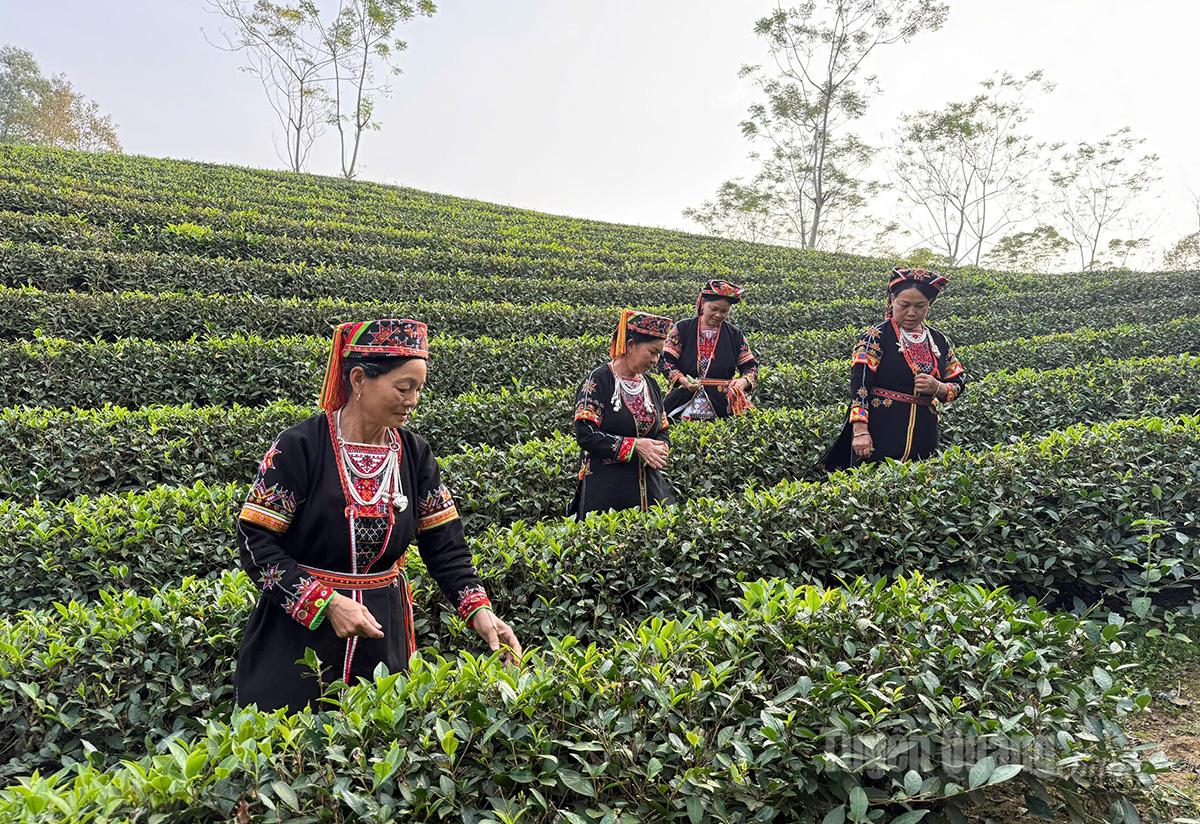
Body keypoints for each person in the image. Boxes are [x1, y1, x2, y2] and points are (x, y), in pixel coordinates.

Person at [235, 319, 521, 712]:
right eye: (403, 388)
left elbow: (445, 546)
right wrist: (325, 604)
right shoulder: (300, 447)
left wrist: (479, 610)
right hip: (297, 638)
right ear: (358, 379)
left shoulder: (415, 453)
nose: (413, 400)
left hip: (382, 635)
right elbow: (256, 540)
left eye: (419, 389)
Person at [820, 267, 967, 471]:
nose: (911, 312)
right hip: (881, 429)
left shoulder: (939, 340)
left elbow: (958, 381)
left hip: (924, 431)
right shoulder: (875, 336)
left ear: (929, 306)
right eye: (904, 305)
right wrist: (860, 430)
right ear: (892, 301)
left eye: (920, 306)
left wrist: (939, 388)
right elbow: (860, 386)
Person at [568, 309, 675, 518]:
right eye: (652, 352)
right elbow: (586, 434)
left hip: (649, 487)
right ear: (630, 345)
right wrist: (635, 446)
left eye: (659, 354)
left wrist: (660, 448)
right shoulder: (598, 381)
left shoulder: (651, 385)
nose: (655, 361)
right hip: (607, 490)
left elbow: (662, 429)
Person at [660, 279, 758, 420]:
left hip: (722, 401)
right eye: (713, 309)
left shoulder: (735, 334)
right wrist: (683, 381)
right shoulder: (683, 328)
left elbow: (750, 367)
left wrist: (744, 381)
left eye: (724, 311)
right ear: (702, 303)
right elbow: (666, 360)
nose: (719, 315)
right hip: (684, 396)